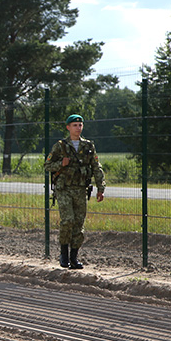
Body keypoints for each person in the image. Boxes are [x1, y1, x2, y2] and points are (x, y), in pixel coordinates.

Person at [44, 114, 105, 269]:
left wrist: (100, 188)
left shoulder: (88, 146)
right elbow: (47, 166)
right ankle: (63, 254)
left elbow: (96, 168)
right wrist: (61, 164)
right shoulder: (61, 146)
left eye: (80, 125)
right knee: (68, 220)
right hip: (64, 189)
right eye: (75, 125)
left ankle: (74, 257)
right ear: (68, 127)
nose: (78, 128)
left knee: (78, 224)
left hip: (81, 189)